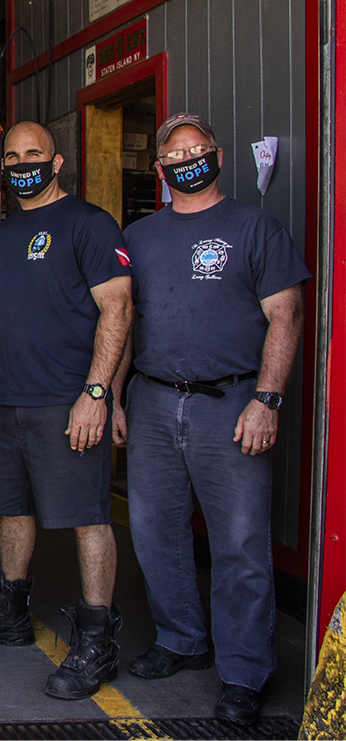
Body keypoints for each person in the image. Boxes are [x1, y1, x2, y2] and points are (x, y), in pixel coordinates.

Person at [111, 113, 309, 727]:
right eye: (176, 152)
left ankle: (245, 670)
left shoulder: (255, 228)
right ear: (160, 168)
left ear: (218, 155)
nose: (187, 158)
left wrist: (268, 400)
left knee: (241, 542)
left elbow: (288, 315)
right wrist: (112, 396)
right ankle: (181, 640)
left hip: (233, 403)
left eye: (198, 148)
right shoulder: (138, 237)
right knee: (153, 529)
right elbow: (123, 322)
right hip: (152, 400)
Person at [0, 120, 133, 700]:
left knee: (87, 516)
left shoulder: (89, 224)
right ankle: (10, 609)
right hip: (9, 399)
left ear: (56, 164)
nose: (22, 163)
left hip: (68, 400)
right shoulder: (7, 234)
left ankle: (98, 637)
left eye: (34, 154)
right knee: (12, 508)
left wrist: (97, 393)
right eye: (12, 156)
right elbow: (1, 314)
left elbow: (119, 309)